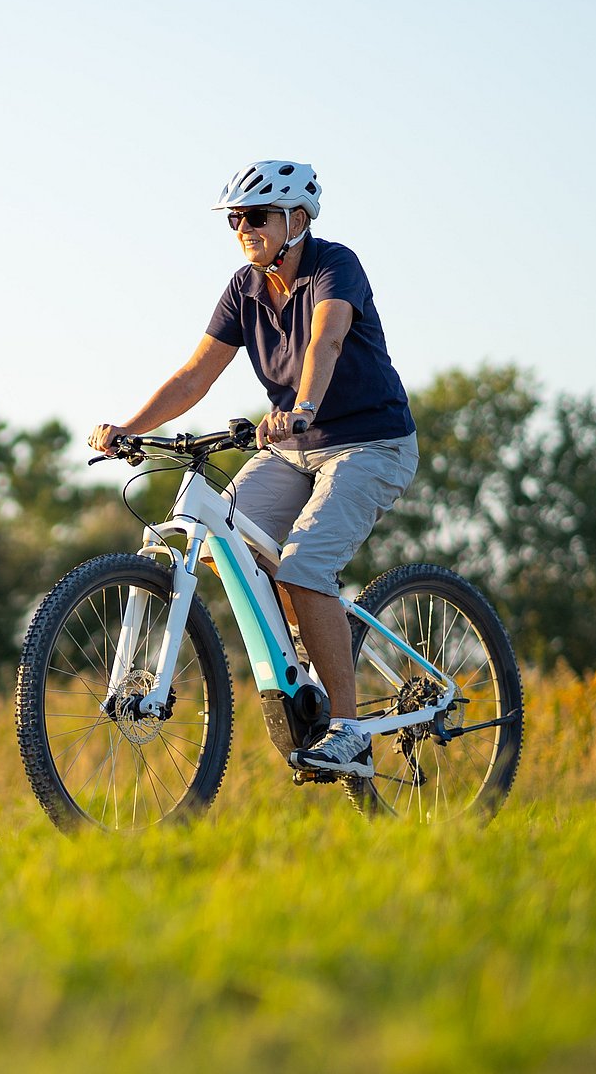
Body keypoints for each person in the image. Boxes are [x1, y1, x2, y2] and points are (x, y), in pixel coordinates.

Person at [88, 159, 418, 777]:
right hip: (291, 449)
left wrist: (303, 408)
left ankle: (348, 730)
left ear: (297, 219)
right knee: (220, 545)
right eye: (235, 218)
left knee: (304, 565)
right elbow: (194, 375)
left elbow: (327, 341)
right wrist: (132, 428)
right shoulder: (245, 287)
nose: (243, 227)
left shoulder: (333, 265)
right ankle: (312, 644)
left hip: (369, 443)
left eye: (256, 216)